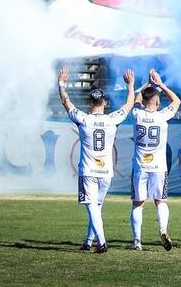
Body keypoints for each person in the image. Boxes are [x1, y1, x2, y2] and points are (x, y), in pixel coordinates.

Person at [58, 66, 135, 254]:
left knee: (92, 207)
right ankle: (89, 240)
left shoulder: (83, 119)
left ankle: (102, 242)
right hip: (106, 172)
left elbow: (66, 102)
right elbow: (129, 104)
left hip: (88, 171)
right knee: (97, 207)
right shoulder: (112, 119)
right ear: (105, 103)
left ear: (89, 102)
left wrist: (61, 83)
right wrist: (130, 85)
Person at [129, 68, 181, 251]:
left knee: (138, 204)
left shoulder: (137, 114)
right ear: (158, 102)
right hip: (159, 166)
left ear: (144, 102)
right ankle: (162, 229)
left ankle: (137, 242)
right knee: (161, 201)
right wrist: (160, 84)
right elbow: (177, 101)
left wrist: (146, 85)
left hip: (140, 166)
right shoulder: (162, 116)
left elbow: (136, 100)